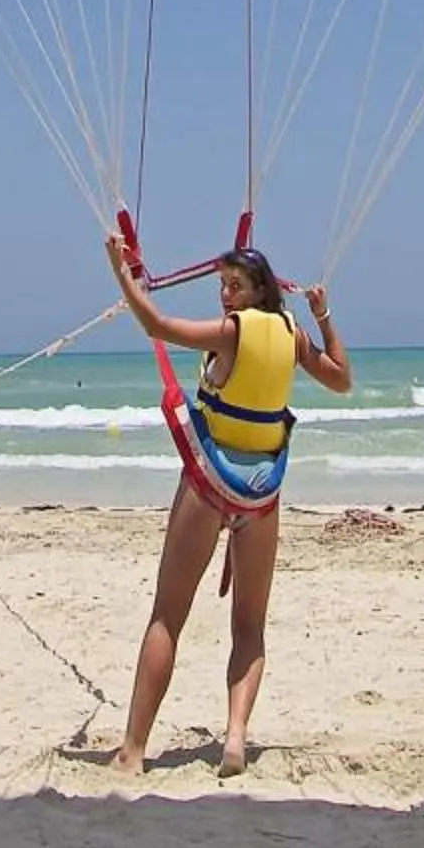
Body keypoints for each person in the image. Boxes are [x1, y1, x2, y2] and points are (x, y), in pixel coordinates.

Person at [104, 233, 352, 780]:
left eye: (234, 286)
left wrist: (121, 274)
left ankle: (133, 750)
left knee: (168, 616)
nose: (225, 296)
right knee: (250, 627)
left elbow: (159, 328)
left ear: (259, 290)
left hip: (211, 486)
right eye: (221, 286)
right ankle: (235, 739)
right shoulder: (292, 335)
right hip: (262, 493)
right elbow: (341, 379)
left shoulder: (234, 332)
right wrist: (324, 316)